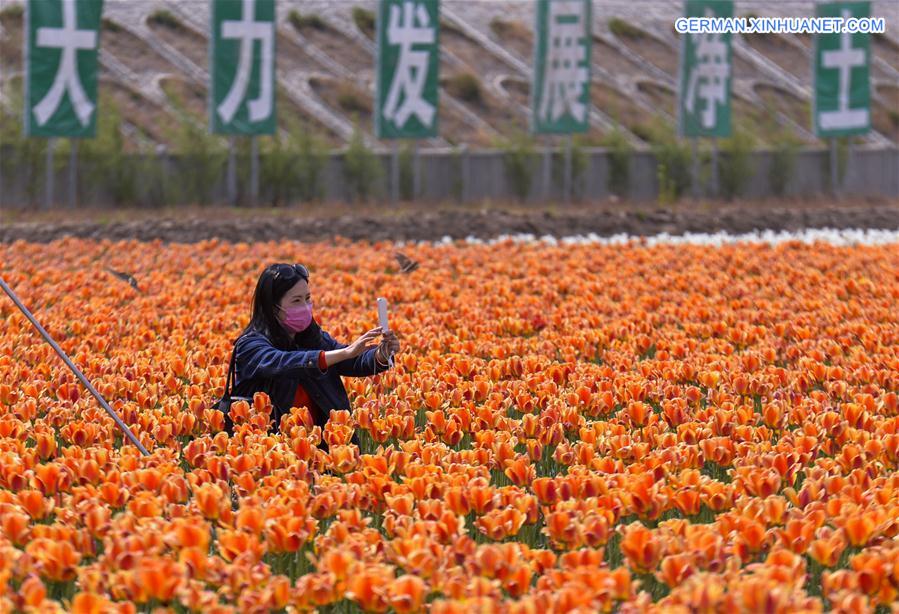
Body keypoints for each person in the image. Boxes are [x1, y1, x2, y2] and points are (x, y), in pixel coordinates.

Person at [228, 263, 400, 447]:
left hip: (325, 447)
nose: (305, 307)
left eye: (307, 298)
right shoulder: (250, 345)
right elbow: (282, 362)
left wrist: (380, 355)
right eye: (296, 301)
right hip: (274, 449)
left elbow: (350, 361)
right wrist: (337, 354)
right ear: (272, 307)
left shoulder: (313, 337)